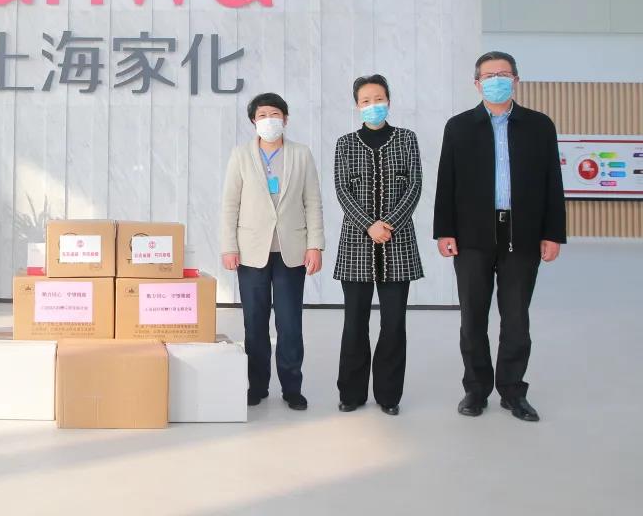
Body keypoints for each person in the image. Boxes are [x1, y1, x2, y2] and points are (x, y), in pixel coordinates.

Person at [434, 51, 566, 422]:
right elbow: (447, 182)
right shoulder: (459, 127)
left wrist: (553, 233)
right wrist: (444, 230)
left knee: (516, 318)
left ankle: (513, 391)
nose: (497, 81)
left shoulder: (539, 126)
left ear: (516, 80)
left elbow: (552, 183)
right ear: (477, 84)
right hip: (472, 235)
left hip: (523, 233)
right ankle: (476, 390)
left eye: (503, 74)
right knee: (473, 318)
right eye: (489, 76)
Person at [220, 93, 325, 409]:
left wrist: (315, 245)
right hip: (251, 251)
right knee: (254, 322)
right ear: (254, 121)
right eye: (263, 115)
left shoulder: (301, 154)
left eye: (275, 114)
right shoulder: (240, 155)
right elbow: (230, 204)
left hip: (291, 250)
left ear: (286, 119)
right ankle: (257, 385)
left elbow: (313, 202)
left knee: (290, 322)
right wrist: (228, 246)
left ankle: (292, 387)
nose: (269, 120)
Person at [332, 75, 423, 416]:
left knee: (394, 324)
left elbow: (414, 186)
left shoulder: (407, 139)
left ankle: (388, 395)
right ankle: (351, 393)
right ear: (357, 105)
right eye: (366, 100)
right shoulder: (345, 143)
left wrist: (389, 223)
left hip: (398, 244)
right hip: (356, 243)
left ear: (389, 100)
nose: (373, 105)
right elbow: (342, 190)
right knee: (354, 323)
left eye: (379, 98)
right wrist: (369, 225)